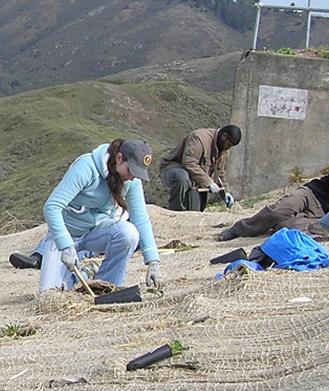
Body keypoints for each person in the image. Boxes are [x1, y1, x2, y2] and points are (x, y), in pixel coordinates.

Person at [35, 139, 163, 292]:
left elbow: (140, 219)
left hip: (96, 234)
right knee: (48, 294)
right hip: (66, 237)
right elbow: (52, 207)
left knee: (129, 234)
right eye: (130, 170)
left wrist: (153, 260)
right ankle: (83, 276)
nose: (132, 177)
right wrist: (65, 245)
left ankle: (105, 286)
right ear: (119, 158)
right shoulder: (87, 167)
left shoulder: (131, 181)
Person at [217, 146, 329, 241]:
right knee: (278, 210)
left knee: (284, 226)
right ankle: (240, 228)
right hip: (315, 192)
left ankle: (268, 227)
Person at [160, 125, 241, 212]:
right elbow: (188, 162)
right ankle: (175, 212)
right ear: (224, 136)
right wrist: (208, 182)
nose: (228, 148)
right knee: (182, 177)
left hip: (194, 180)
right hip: (174, 168)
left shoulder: (223, 152)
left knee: (195, 211)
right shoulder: (199, 138)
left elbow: (220, 173)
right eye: (228, 144)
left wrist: (226, 192)